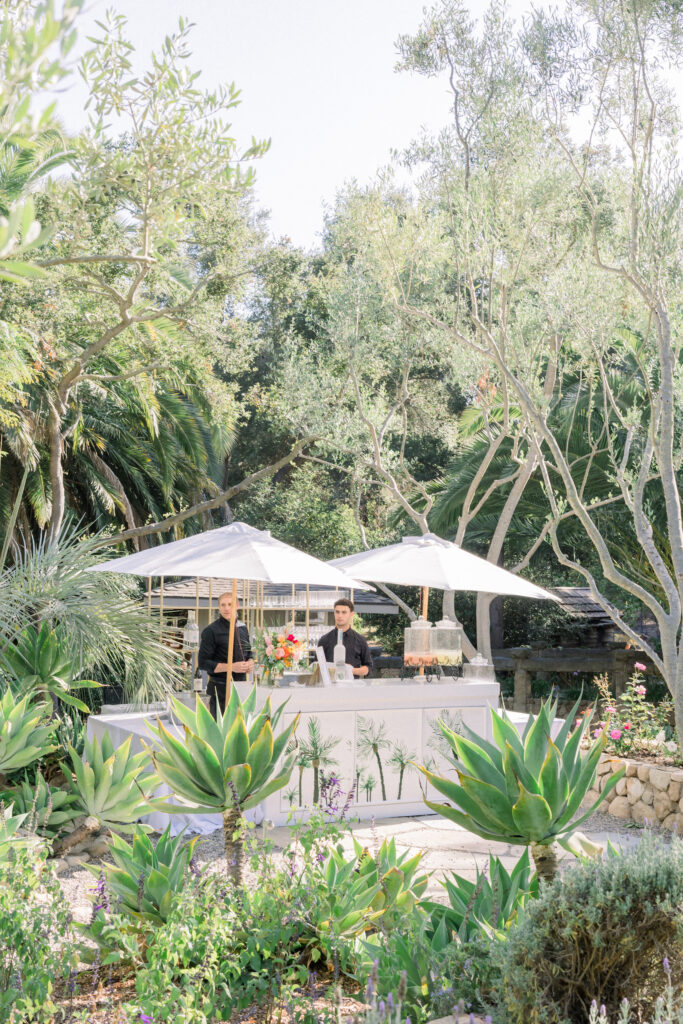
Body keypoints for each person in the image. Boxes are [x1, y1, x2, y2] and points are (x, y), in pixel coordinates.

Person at [198, 591, 254, 718]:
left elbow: (249, 652)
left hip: (242, 689)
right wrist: (232, 667)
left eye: (230, 604)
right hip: (220, 690)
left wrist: (251, 662)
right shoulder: (211, 631)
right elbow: (203, 663)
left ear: (237, 606)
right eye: (223, 605)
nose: (226, 608)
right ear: (219, 608)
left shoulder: (243, 628)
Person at [319, 598, 373, 678]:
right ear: (334, 613)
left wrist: (350, 670)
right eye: (337, 612)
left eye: (344, 612)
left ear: (351, 614)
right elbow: (317, 666)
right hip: (330, 688)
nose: (340, 615)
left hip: (353, 688)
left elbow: (368, 668)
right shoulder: (324, 640)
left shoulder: (360, 640)